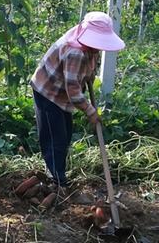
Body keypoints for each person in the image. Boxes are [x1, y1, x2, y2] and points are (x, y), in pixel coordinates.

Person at [30, 11, 125, 190]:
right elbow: (73, 89)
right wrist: (90, 112)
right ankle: (57, 182)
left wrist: (89, 74)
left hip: (62, 94)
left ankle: (58, 173)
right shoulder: (75, 51)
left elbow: (88, 66)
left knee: (65, 135)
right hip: (48, 92)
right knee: (54, 137)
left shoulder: (88, 45)